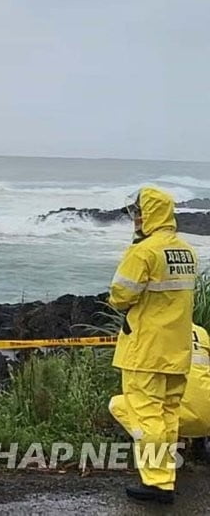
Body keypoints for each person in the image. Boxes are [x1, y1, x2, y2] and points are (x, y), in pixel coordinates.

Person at [108, 186, 198, 504]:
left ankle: (157, 483)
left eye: (138, 212)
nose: (135, 218)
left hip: (145, 350)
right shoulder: (187, 251)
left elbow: (120, 295)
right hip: (177, 348)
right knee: (168, 414)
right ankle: (166, 476)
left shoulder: (143, 251)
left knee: (147, 417)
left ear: (150, 214)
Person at [111, 323, 210, 440]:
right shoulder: (200, 332)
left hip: (179, 416)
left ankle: (153, 441)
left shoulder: (150, 331)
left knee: (116, 404)